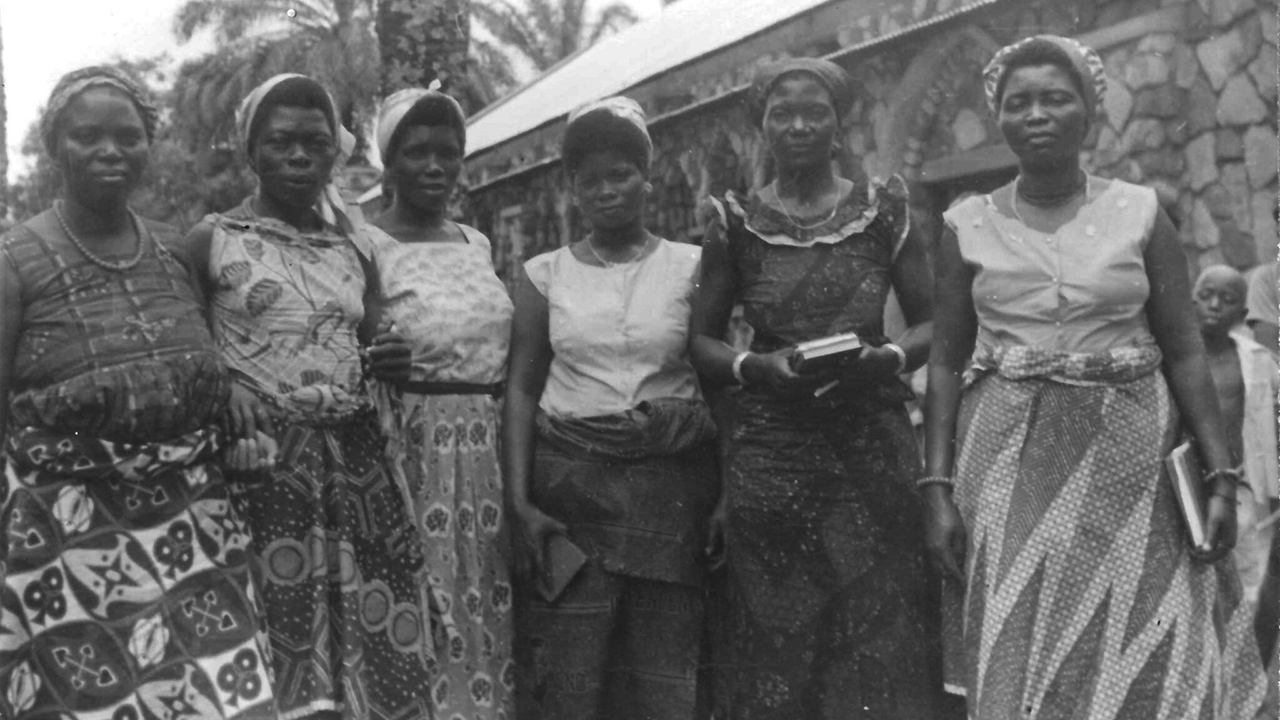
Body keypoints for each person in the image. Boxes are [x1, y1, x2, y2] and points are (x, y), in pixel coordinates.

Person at [922, 36, 1267, 718]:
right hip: (1007, 463)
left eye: (1056, 98)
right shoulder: (967, 223)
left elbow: (1186, 350)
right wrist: (935, 486)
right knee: (1020, 629)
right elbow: (942, 361)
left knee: (1143, 625)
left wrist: (1222, 475)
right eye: (1018, 103)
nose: (1037, 115)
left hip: (1130, 458)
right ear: (999, 118)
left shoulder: (1139, 211)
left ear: (1089, 111)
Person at [0, 67, 275, 719]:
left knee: (222, 700)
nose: (110, 151)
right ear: (54, 144)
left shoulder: (175, 250)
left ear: (150, 144)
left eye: (128, 136)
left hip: (193, 525)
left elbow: (200, 356)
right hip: (68, 535)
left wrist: (228, 392)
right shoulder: (13, 260)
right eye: (87, 135)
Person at [689, 58, 943, 719]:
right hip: (773, 456)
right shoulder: (736, 221)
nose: (798, 124)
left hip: (872, 450)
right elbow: (702, 342)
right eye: (782, 114)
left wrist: (885, 358)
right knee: (778, 633)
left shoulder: (883, 209)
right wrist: (756, 368)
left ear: (838, 125)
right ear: (762, 129)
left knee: (880, 626)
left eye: (815, 112)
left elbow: (933, 323)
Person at [182, 74, 432, 720]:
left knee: (373, 635)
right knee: (273, 629)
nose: (299, 156)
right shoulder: (212, 239)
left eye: (314, 143)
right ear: (251, 150)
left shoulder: (353, 245)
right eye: (281, 142)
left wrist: (392, 359)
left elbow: (377, 342)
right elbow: (186, 350)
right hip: (261, 469)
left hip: (355, 465)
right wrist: (229, 383)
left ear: (336, 152)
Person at [503, 96, 718, 720]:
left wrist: (726, 494)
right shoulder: (545, 276)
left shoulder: (691, 266)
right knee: (573, 676)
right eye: (589, 179)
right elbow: (521, 386)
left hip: (669, 492)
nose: (606, 190)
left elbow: (714, 383)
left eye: (620, 174)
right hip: (573, 496)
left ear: (647, 181)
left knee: (664, 676)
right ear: (572, 190)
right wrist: (519, 502)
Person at [371, 87, 515, 718]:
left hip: (486, 444)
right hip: (413, 443)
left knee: (486, 592)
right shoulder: (366, 243)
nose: (435, 166)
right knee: (423, 595)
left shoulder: (476, 243)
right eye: (418, 151)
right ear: (390, 160)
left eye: (449, 154)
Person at [1193, 265, 1279, 610]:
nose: (1215, 305)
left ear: (1242, 314)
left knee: (1246, 583)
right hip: (1185, 483)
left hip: (1242, 485)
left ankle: (1239, 660)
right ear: (1191, 301)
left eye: (1226, 300)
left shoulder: (1257, 360)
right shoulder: (1173, 358)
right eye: (1206, 296)